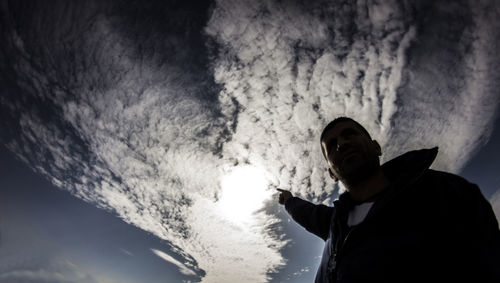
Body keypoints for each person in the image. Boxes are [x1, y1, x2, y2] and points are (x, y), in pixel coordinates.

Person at [277, 117, 500, 283]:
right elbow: (306, 212)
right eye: (332, 144)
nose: (341, 144)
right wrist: (288, 200)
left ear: (376, 147)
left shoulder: (443, 192)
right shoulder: (336, 224)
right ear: (331, 173)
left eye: (348, 134)